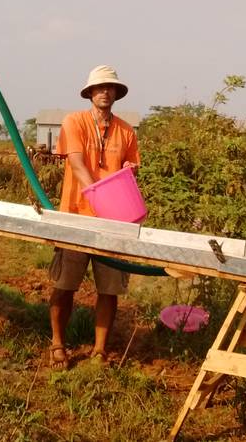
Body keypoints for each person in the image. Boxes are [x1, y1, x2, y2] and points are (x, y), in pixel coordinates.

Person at [48, 65, 140, 369]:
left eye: (110, 87)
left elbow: (130, 170)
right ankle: (58, 343)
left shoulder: (126, 131)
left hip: (113, 223)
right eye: (99, 87)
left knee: (109, 288)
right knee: (65, 285)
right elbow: (77, 165)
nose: (104, 92)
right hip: (77, 216)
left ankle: (99, 351)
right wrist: (102, 201)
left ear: (116, 93)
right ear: (89, 93)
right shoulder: (73, 122)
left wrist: (128, 172)